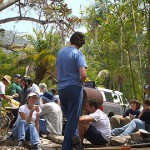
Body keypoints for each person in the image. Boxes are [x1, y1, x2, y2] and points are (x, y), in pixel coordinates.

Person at [55, 31, 87, 150]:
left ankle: (76, 142)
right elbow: (83, 75)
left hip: (61, 88)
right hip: (74, 87)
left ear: (71, 40)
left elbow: (56, 73)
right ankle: (66, 147)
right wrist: (81, 81)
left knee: (69, 118)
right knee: (73, 120)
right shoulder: (78, 54)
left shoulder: (61, 52)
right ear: (82, 43)